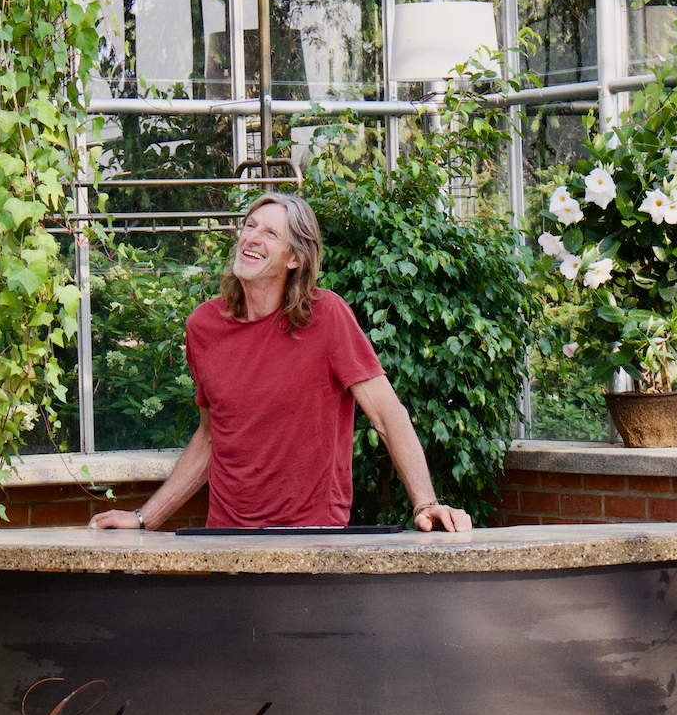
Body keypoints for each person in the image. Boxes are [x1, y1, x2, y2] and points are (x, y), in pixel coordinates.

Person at [87, 192, 473, 534]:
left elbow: (388, 414)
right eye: (250, 226)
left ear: (294, 257)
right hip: (226, 539)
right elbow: (210, 436)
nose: (252, 238)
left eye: (270, 233)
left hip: (310, 538)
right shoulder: (203, 326)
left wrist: (425, 503)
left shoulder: (327, 317)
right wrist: (144, 518)